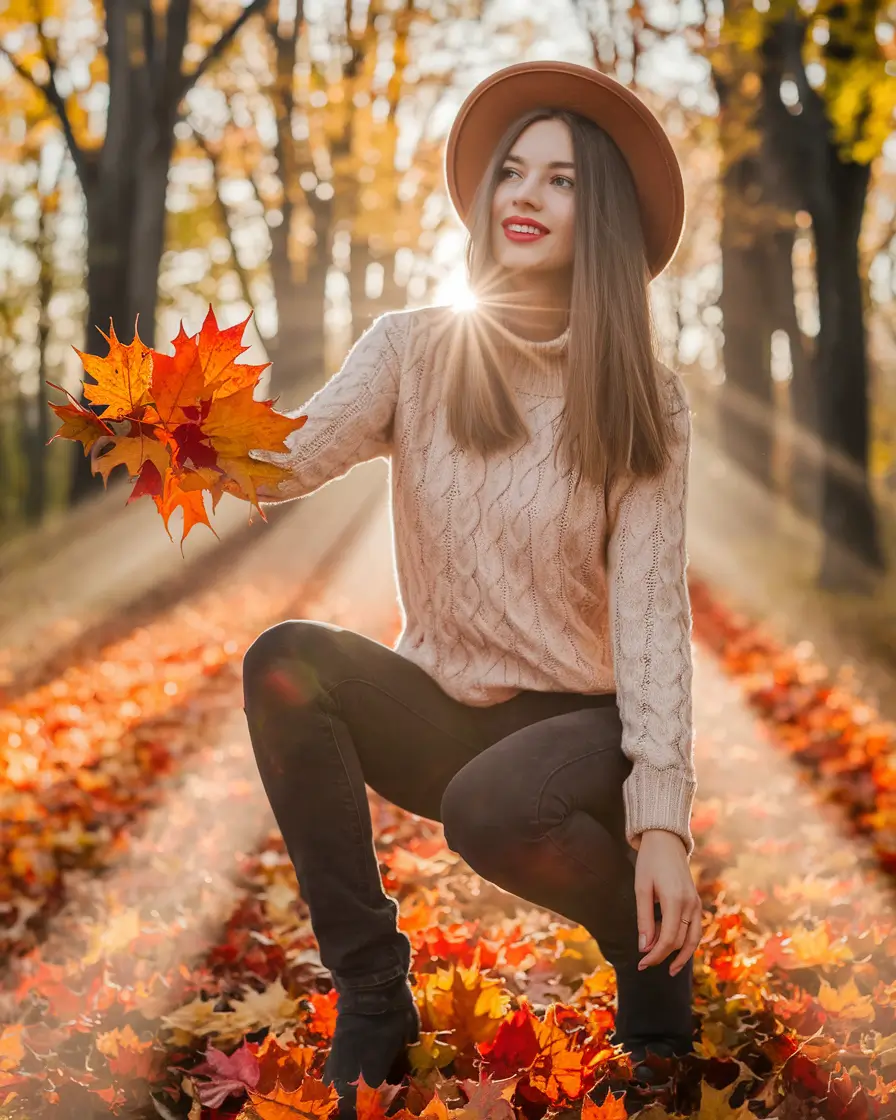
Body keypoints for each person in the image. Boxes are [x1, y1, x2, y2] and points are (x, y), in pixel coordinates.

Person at [241, 58, 701, 1116]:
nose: (524, 197)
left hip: (582, 723)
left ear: (604, 219)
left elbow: (649, 619)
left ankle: (653, 951)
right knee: (285, 659)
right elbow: (289, 457)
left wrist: (661, 826)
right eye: (512, 172)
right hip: (448, 707)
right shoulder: (411, 349)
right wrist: (180, 436)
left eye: (560, 180)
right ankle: (371, 992)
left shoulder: (644, 400)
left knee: (493, 807)